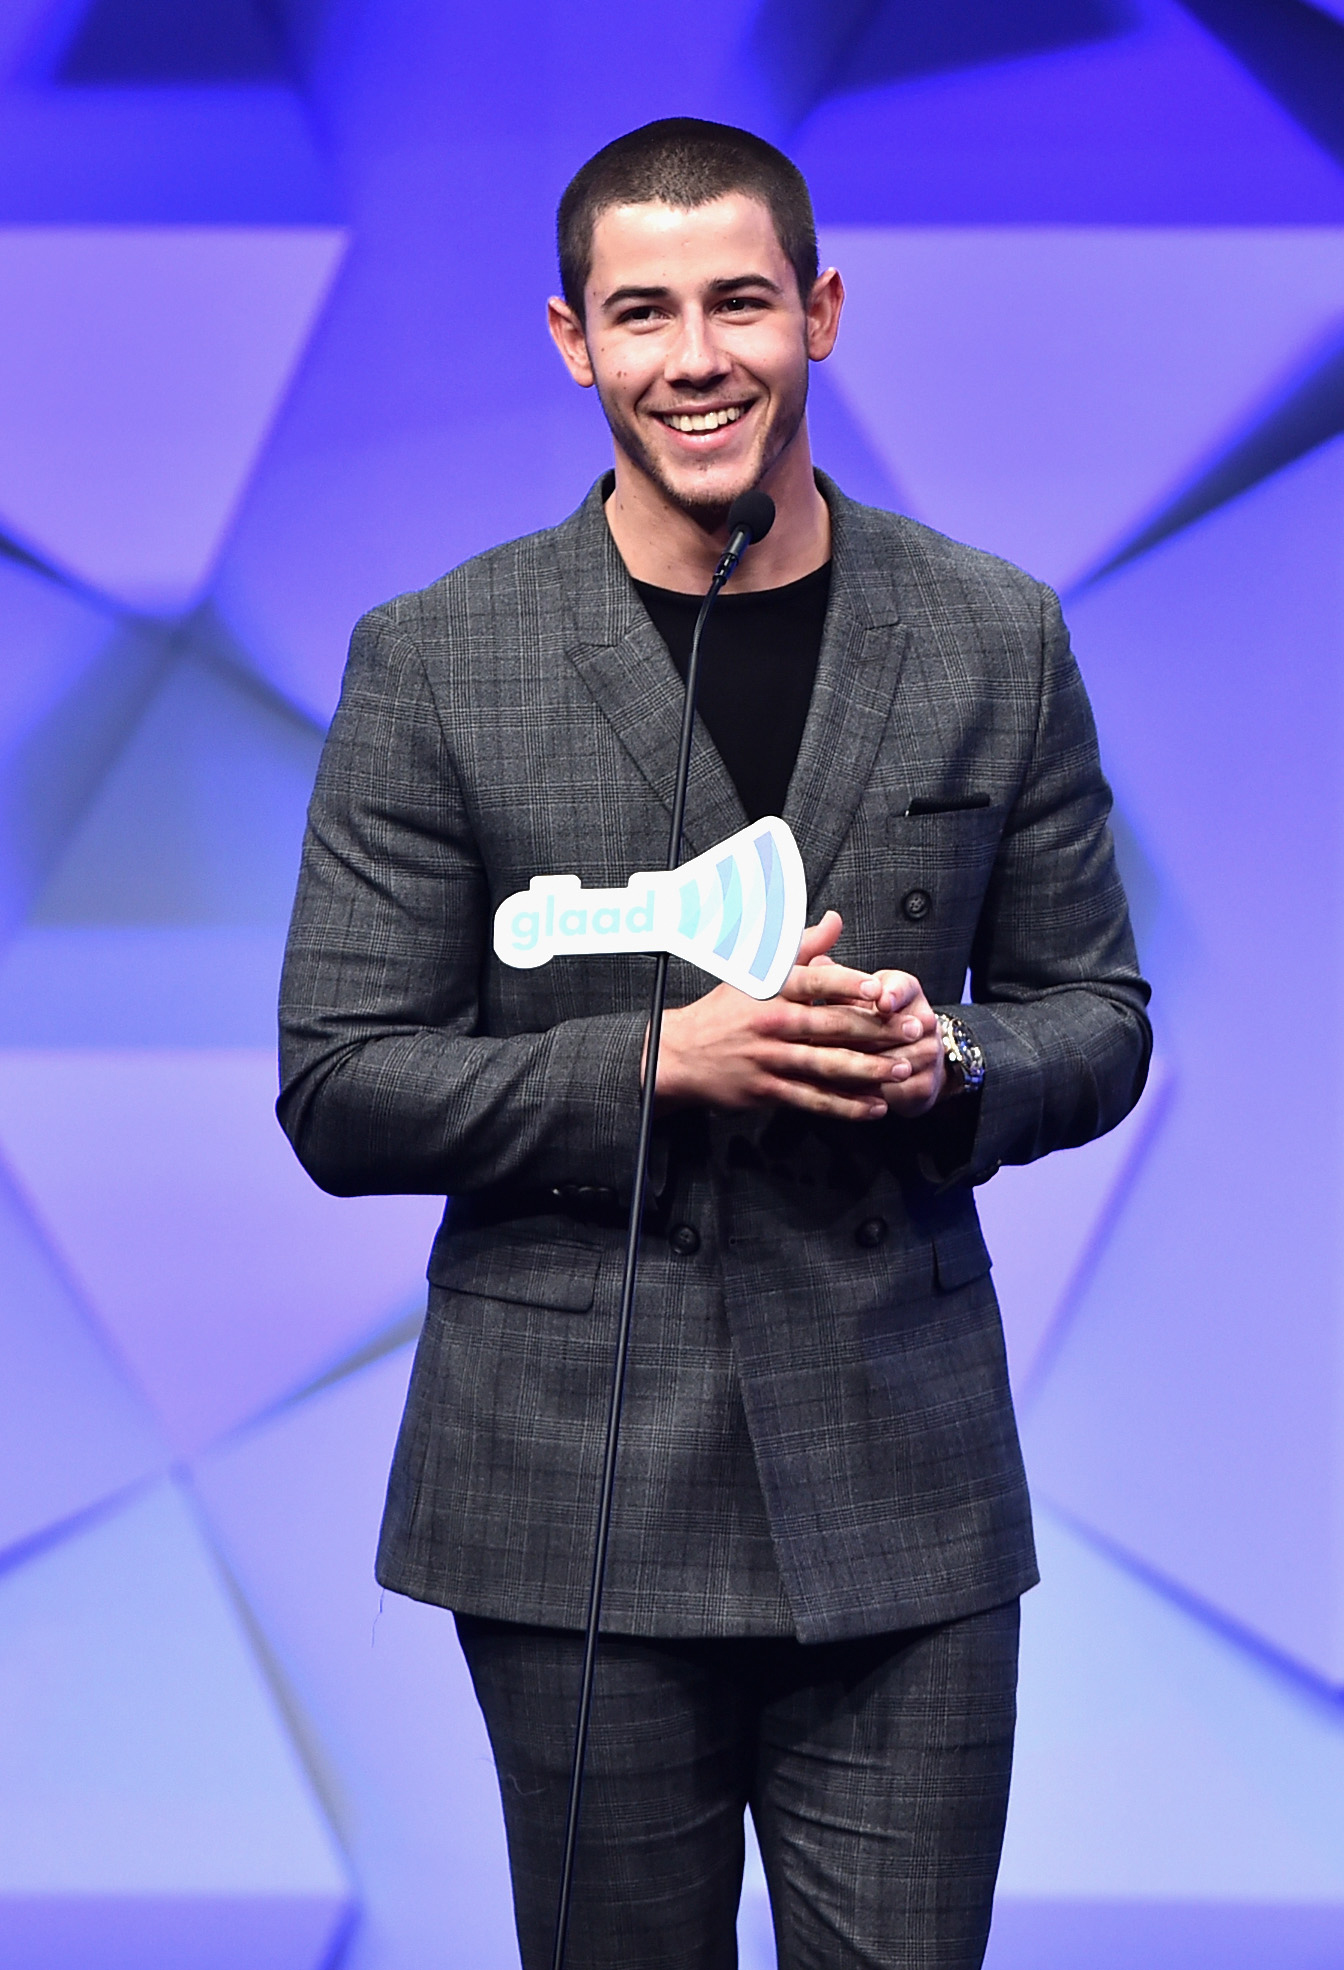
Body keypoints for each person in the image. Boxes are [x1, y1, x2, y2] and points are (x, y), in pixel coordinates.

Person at [278, 117, 1151, 1970]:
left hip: (903, 1489)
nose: (698, 358)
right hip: (571, 1495)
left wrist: (955, 1063)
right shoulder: (439, 658)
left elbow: (1100, 1018)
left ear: (820, 313)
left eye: (741, 301)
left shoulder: (995, 631)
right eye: (644, 312)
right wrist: (657, 1064)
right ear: (571, 339)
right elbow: (341, 1080)